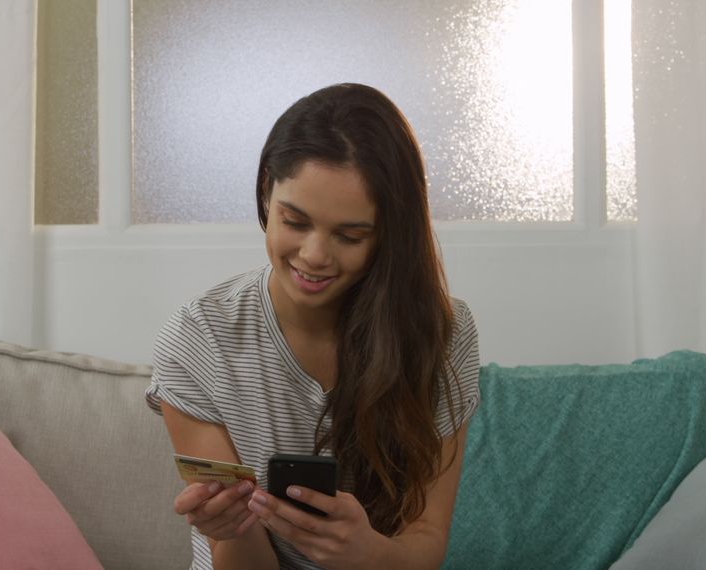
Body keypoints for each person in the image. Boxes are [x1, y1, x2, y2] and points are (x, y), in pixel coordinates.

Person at [145, 83, 480, 570]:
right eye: (294, 221)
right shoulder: (199, 339)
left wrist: (366, 554)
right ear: (266, 192)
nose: (314, 255)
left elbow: (425, 541)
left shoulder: (442, 334)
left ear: (389, 235)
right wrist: (231, 529)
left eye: (349, 235)